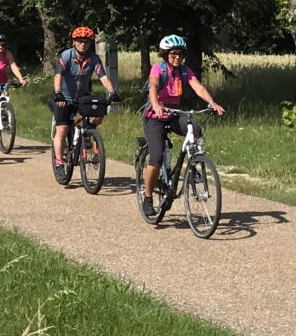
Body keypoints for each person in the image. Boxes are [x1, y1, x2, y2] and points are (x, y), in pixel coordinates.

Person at [139, 34, 225, 217]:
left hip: (174, 114)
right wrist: (155, 104)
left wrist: (212, 103)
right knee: (156, 157)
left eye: (180, 54)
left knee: (196, 128)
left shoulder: (185, 71)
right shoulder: (158, 68)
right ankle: (147, 197)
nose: (177, 57)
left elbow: (198, 87)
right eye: (173, 54)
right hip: (155, 116)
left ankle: (194, 164)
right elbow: (153, 86)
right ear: (165, 54)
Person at [51, 26, 119, 171]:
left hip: (82, 96)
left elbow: (103, 76)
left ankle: (88, 132)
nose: (83, 44)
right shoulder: (66, 56)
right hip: (64, 97)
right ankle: (59, 162)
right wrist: (58, 93)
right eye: (80, 41)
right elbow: (58, 75)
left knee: (99, 112)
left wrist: (112, 92)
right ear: (74, 42)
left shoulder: (94, 58)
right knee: (62, 129)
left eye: (86, 42)